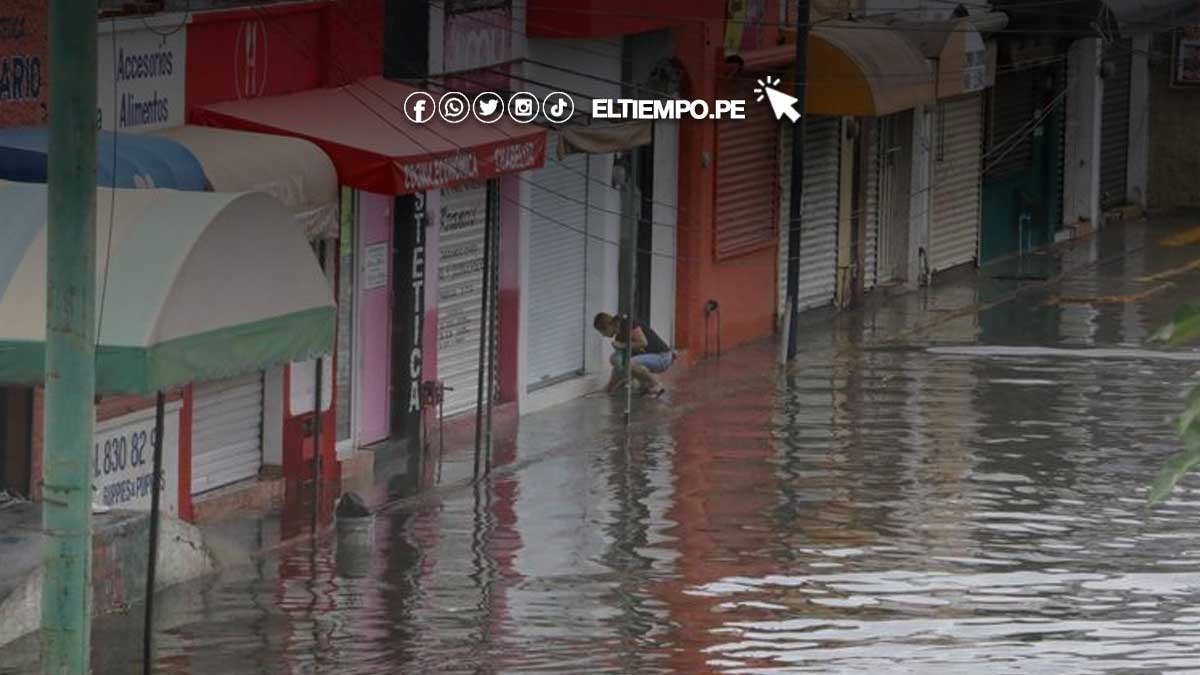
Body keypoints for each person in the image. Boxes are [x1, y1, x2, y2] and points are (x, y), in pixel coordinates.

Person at [593, 312, 673, 397]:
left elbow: (643, 343)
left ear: (607, 326)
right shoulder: (619, 336)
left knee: (629, 364)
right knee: (621, 362)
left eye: (602, 332)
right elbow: (618, 368)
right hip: (652, 358)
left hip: (662, 357)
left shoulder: (628, 323)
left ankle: (656, 385)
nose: (603, 335)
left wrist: (622, 345)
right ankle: (647, 386)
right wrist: (609, 388)